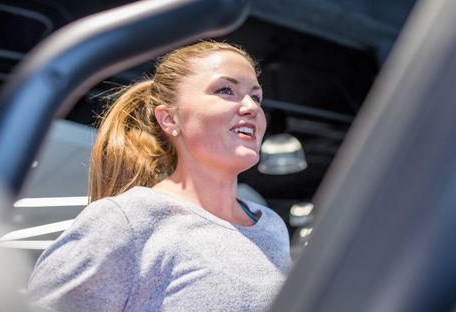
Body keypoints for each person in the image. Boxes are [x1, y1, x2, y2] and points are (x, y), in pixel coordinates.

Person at [26, 41, 292, 312]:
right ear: (169, 119)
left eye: (256, 97)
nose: (251, 107)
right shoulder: (128, 219)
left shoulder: (270, 226)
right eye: (226, 90)